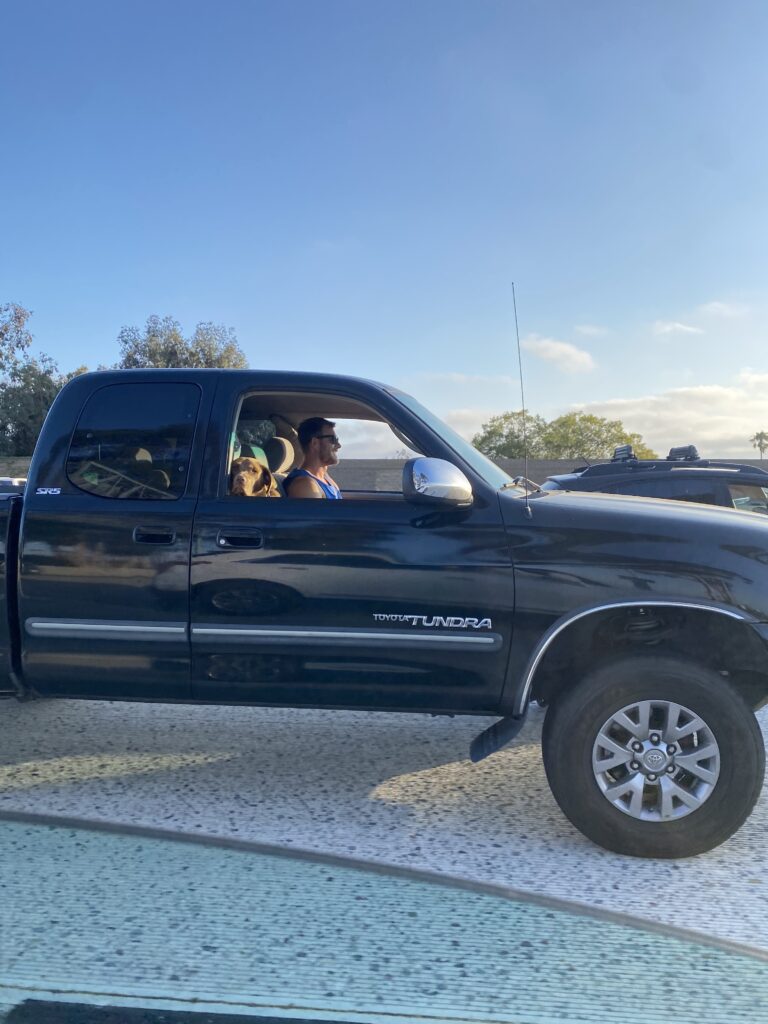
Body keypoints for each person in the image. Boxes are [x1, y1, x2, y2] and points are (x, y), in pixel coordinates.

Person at [283, 417, 343, 499]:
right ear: (315, 443)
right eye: (333, 439)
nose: (338, 445)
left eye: (337, 439)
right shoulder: (305, 485)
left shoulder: (326, 479)